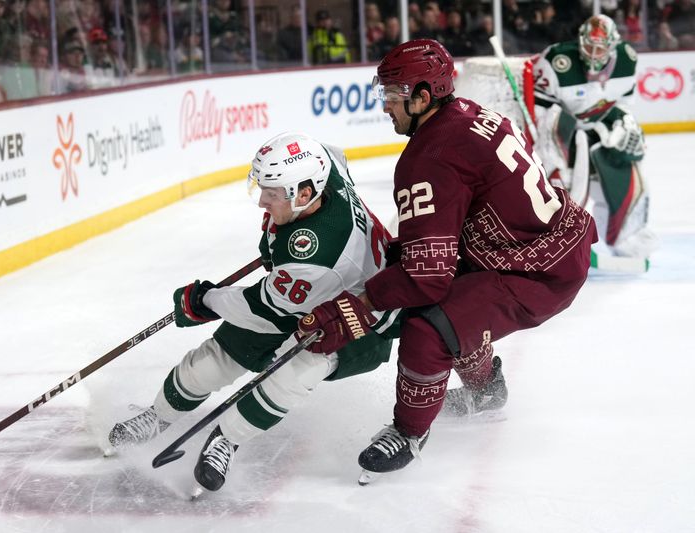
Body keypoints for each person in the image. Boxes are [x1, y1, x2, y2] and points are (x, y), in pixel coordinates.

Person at [296, 39, 597, 483]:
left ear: (422, 97)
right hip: (544, 241)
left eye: (392, 96)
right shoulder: (469, 112)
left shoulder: (427, 158)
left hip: (534, 269)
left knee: (429, 324)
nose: (385, 107)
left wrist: (355, 307)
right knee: (448, 302)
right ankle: (487, 388)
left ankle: (409, 432)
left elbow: (425, 278)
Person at [107, 132, 399, 495]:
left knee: (291, 374)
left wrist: (203, 301)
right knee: (213, 362)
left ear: (304, 194)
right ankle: (158, 416)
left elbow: (256, 306)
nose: (262, 201)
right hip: (308, 292)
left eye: (272, 193)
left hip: (362, 321)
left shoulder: (313, 254)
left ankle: (225, 440)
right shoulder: (322, 167)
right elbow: (333, 153)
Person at [532, 14, 656, 261]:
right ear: (580, 41)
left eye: (601, 47)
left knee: (627, 175)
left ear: (613, 45)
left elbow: (620, 105)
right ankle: (559, 241)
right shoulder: (557, 60)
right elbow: (542, 115)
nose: (594, 53)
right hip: (564, 135)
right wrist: (552, 154)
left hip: (600, 133)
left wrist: (623, 124)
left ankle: (624, 237)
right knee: (564, 188)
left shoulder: (626, 59)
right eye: (589, 45)